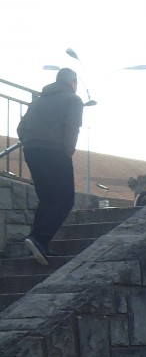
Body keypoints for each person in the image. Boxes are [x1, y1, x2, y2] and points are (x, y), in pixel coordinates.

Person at [17, 67, 84, 266]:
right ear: (72, 82)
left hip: (32, 150)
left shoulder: (38, 100)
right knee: (64, 199)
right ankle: (39, 238)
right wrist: (67, 150)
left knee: (48, 198)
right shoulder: (73, 100)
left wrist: (30, 142)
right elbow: (72, 127)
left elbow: (21, 128)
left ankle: (38, 242)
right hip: (55, 151)